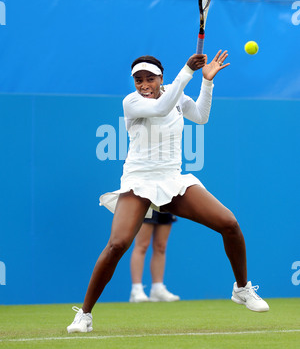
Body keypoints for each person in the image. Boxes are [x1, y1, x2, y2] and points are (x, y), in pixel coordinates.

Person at [67, 50, 269, 333]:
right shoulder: (132, 101)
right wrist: (187, 71)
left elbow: (201, 117)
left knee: (229, 223)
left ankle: (242, 288)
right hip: (138, 183)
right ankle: (84, 315)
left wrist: (207, 82)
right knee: (116, 245)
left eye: (150, 78)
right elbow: (160, 109)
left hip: (172, 181)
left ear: (161, 78)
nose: (144, 84)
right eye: (139, 79)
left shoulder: (176, 98)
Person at [129, 211, 179, 302]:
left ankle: (157, 289)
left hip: (165, 203)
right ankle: (136, 289)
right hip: (147, 202)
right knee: (142, 246)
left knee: (161, 247)